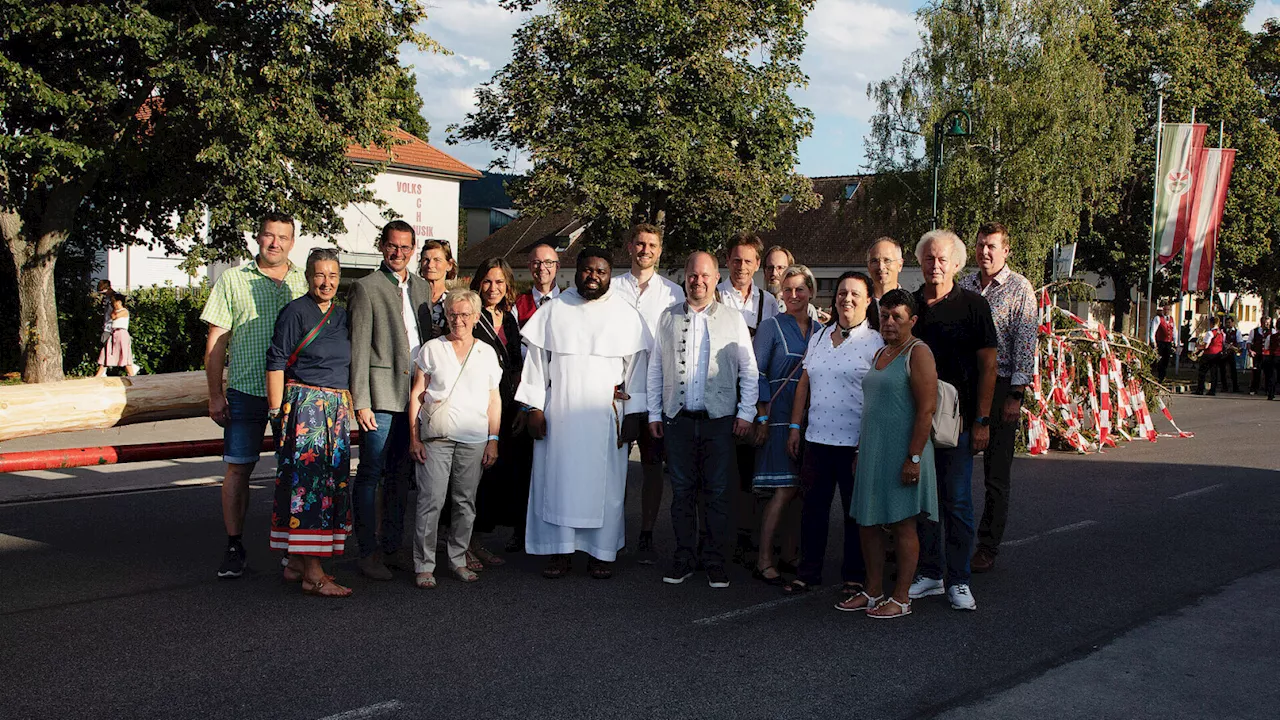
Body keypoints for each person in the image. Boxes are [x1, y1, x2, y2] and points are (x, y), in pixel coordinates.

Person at [516, 247, 649, 579]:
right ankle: (559, 552)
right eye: (588, 270)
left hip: (605, 418)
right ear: (575, 272)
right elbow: (535, 364)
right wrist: (533, 407)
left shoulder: (625, 314)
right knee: (556, 483)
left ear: (609, 274)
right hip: (558, 414)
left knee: (605, 489)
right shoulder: (554, 310)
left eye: (601, 272)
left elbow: (636, 370)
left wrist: (633, 415)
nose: (593, 277)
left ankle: (600, 553)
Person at [201, 211, 308, 579]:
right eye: (268, 235)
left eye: (282, 237)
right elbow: (216, 342)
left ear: (293, 242)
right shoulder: (233, 279)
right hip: (246, 390)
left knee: (293, 471)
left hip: (294, 392)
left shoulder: (304, 280)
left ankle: (293, 548)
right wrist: (215, 395)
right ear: (257, 238)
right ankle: (234, 545)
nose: (275, 243)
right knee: (238, 468)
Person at [649, 251, 758, 588]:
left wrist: (746, 412)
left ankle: (713, 559)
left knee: (718, 492)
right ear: (685, 276)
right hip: (677, 419)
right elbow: (656, 369)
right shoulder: (666, 317)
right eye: (693, 275)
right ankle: (683, 557)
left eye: (705, 275)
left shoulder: (732, 318)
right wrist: (655, 412)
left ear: (715, 277)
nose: (698, 281)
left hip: (718, 420)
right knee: (682, 492)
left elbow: (748, 369)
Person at [907, 229, 997, 612]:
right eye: (929, 258)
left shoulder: (974, 306)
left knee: (956, 500)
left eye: (943, 259)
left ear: (958, 264)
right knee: (922, 501)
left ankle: (958, 580)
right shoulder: (910, 305)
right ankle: (930, 573)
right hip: (914, 421)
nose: (935, 265)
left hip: (956, 422)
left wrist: (982, 419)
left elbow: (989, 364)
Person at [783, 272, 882, 596]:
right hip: (817, 440)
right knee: (813, 511)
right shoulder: (820, 337)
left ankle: (853, 576)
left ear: (868, 301)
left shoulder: (875, 343)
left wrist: (866, 445)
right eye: (842, 293)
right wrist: (796, 426)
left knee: (855, 514)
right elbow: (804, 384)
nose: (847, 299)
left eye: (855, 294)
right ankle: (808, 572)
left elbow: (879, 398)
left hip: (855, 444)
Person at [844, 289, 940, 618]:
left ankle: (901, 599)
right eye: (884, 315)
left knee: (902, 525)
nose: (889, 322)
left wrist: (913, 458)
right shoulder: (880, 353)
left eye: (896, 317)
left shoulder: (918, 352)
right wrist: (860, 449)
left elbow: (927, 410)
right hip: (873, 450)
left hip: (903, 452)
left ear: (912, 320)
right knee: (867, 522)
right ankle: (872, 591)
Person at [347, 221, 433, 580]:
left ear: (413, 249)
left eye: (405, 247)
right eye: (392, 246)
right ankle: (368, 552)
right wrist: (361, 401)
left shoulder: (422, 287)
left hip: (413, 395)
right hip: (380, 398)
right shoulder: (365, 288)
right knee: (370, 474)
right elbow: (359, 349)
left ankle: (392, 548)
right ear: (382, 246)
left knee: (400, 476)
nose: (398, 253)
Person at [265, 248, 354, 597]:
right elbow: (275, 361)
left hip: (335, 409)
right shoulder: (295, 312)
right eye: (320, 274)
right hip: (305, 410)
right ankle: (313, 574)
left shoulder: (343, 315)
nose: (327, 282)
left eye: (333, 275)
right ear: (308, 276)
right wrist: (277, 414)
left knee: (329, 486)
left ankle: (298, 562)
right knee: (309, 489)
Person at [407, 290, 502, 588]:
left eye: (464, 315)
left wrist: (493, 439)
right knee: (430, 500)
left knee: (465, 502)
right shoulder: (432, 349)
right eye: (452, 314)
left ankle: (458, 559)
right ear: (445, 315)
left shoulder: (487, 352)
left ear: (476, 317)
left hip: (474, 438)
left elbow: (493, 399)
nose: (458, 320)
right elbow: (416, 395)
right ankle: (424, 564)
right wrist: (414, 438)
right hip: (437, 436)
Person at [960, 222, 1037, 574]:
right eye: (979, 246)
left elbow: (1024, 345)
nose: (984, 252)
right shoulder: (965, 285)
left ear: (1006, 251)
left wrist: (1015, 396)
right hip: (965, 386)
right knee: (953, 464)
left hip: (1004, 385)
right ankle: (953, 538)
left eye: (991, 246)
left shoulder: (1020, 289)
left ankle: (987, 546)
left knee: (995, 474)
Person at [611, 224, 685, 564]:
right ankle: (611, 532)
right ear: (630, 247)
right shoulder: (611, 288)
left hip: (655, 395)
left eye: (652, 245)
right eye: (640, 243)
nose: (645, 250)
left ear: (659, 250)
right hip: (616, 395)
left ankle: (646, 534)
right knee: (612, 467)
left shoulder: (674, 293)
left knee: (653, 469)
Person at [749, 265, 816, 585]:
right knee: (783, 489)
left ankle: (789, 554)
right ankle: (763, 558)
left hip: (809, 419)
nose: (793, 295)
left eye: (800, 289)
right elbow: (757, 373)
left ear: (811, 293)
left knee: (799, 491)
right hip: (777, 418)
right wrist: (761, 416)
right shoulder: (770, 326)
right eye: (787, 290)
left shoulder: (820, 331)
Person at [717, 232, 776, 564]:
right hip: (719, 392)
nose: (741, 267)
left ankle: (747, 535)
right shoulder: (713, 295)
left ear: (758, 265)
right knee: (721, 470)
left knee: (750, 469)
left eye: (748, 261)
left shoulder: (769, 302)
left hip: (754, 395)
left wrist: (761, 406)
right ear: (727, 261)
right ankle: (719, 536)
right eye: (736, 260)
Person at [469, 257, 533, 558]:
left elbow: (518, 365)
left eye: (499, 282)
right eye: (487, 281)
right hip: (476, 405)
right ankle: (466, 543)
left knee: (501, 475)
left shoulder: (508, 317)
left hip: (507, 405)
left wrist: (521, 406)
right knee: (473, 477)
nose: (493, 288)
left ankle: (480, 538)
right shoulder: (470, 314)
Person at [515, 242, 562, 327]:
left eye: (548, 262)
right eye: (536, 263)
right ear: (529, 266)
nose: (542, 268)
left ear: (557, 267)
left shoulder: (570, 301)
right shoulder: (517, 304)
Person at [95, 292, 139, 377]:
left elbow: (115, 316)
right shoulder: (114, 311)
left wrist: (115, 311)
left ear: (119, 302)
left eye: (114, 302)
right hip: (113, 333)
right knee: (107, 352)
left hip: (122, 334)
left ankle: (131, 374)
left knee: (124, 354)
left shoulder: (124, 311)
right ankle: (98, 375)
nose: (113, 304)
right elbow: (112, 316)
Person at [420, 239, 457, 338]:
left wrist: (444, 334)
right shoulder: (411, 297)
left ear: (449, 265)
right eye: (426, 260)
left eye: (437, 260)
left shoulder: (454, 302)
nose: (430, 265)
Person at [866, 237, 904, 331]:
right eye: (875, 261)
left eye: (887, 260)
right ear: (868, 266)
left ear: (900, 265)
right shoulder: (860, 305)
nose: (881, 267)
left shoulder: (911, 305)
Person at [1195, 317, 1226, 396]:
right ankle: (1212, 390)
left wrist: (1198, 346)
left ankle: (1200, 389)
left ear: (1211, 323)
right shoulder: (1222, 333)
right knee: (1214, 373)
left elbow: (1205, 346)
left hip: (1208, 354)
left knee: (1202, 372)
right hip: (1217, 355)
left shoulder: (1210, 333)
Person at [1149, 304, 1178, 383]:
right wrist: (1153, 341)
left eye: (1168, 310)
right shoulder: (1158, 318)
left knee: (1166, 360)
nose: (1167, 311)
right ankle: (1158, 377)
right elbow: (1153, 331)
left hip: (1168, 343)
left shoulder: (1171, 319)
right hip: (1160, 342)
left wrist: (1175, 342)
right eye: (1165, 310)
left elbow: (1174, 331)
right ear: (1163, 310)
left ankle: (1163, 377)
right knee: (1159, 360)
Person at [1248, 317, 1271, 395]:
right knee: (1256, 372)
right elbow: (1249, 342)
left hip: (1268, 355)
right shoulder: (1254, 331)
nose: (1267, 324)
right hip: (1257, 354)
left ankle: (1268, 390)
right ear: (1261, 323)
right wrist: (1250, 350)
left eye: (1268, 323)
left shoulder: (1272, 331)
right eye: (1265, 322)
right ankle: (1254, 389)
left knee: (1268, 373)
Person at [1222, 315, 1242, 393]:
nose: (1228, 324)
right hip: (1224, 352)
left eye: (1229, 322)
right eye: (1227, 323)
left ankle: (1235, 387)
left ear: (1233, 323)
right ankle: (1224, 387)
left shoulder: (1237, 332)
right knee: (1223, 370)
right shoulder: (1223, 331)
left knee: (1233, 371)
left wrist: (1234, 347)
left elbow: (1240, 342)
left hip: (1232, 353)